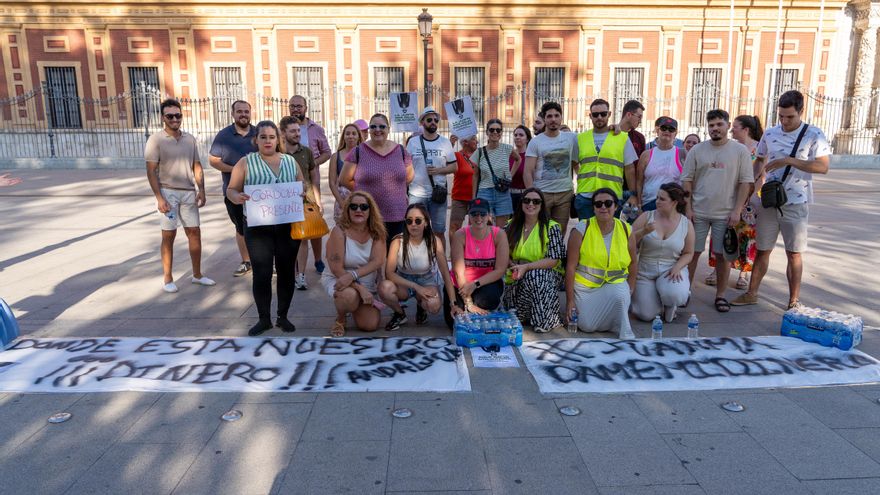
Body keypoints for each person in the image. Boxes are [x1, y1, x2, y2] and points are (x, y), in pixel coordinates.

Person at [732, 90, 831, 310]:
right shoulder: (771, 133)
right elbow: (759, 161)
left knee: (794, 252)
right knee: (763, 249)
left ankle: (793, 300)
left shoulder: (814, 134)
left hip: (795, 200)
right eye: (781, 116)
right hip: (769, 199)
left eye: (790, 117)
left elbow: (823, 167)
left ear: (801, 112)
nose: (785, 121)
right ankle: (752, 293)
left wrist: (789, 161)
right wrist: (749, 184)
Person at [226, 120, 304, 335]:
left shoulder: (290, 161)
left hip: (287, 225)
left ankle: (283, 316)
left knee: (287, 271)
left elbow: (301, 185)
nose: (268, 141)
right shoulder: (246, 162)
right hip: (258, 226)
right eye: (263, 137)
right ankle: (263, 319)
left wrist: (302, 193)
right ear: (256, 140)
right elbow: (231, 189)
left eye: (271, 137)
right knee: (261, 272)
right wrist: (237, 197)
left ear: (278, 139)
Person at [682, 109, 754, 313]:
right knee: (691, 253)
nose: (715, 128)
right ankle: (684, 292)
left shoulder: (740, 151)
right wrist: (688, 208)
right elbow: (686, 180)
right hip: (698, 212)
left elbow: (745, 182)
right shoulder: (697, 150)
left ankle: (720, 295)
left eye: (719, 124)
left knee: (722, 256)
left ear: (727, 126)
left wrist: (737, 210)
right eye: (711, 125)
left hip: (726, 214)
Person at [145, 99, 213, 294]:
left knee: (195, 232)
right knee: (169, 235)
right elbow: (151, 171)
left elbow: (197, 166)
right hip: (168, 192)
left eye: (178, 115)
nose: (175, 119)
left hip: (188, 192)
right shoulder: (155, 140)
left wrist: (202, 189)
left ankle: (197, 275)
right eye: (170, 116)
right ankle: (168, 278)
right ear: (162, 118)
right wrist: (159, 198)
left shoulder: (189, 139)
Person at [565, 188, 637, 338]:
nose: (603, 207)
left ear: (616, 207)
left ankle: (624, 330)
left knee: (621, 294)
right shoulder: (581, 229)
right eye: (598, 204)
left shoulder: (626, 229)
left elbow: (633, 263)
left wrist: (630, 289)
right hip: (585, 288)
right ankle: (611, 319)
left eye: (608, 203)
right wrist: (570, 301)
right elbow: (570, 267)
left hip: (614, 285)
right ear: (593, 208)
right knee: (586, 326)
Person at [340, 113, 414, 247]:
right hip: (368, 214)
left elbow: (408, 177)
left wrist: (394, 189)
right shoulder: (358, 151)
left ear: (388, 129)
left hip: (397, 213)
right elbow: (344, 180)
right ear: (369, 130)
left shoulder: (401, 151)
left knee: (393, 256)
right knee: (371, 256)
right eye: (373, 126)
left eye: (382, 126)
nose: (377, 129)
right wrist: (363, 193)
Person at [707, 114, 763, 290]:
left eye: (735, 127)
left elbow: (761, 175)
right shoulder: (731, 147)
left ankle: (743, 273)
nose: (732, 130)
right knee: (722, 231)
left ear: (746, 129)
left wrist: (748, 196)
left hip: (750, 199)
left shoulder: (759, 149)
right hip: (728, 196)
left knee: (746, 234)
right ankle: (717, 269)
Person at [379, 203, 456, 331]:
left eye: (418, 220)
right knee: (384, 288)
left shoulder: (434, 241)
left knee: (434, 305)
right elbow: (389, 273)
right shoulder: (397, 241)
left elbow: (445, 274)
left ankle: (421, 305)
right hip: (403, 280)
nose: (413, 224)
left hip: (426, 279)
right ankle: (399, 314)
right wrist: (417, 287)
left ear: (426, 223)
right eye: (409, 221)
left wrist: (453, 303)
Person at [323, 191, 387, 336]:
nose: (359, 210)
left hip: (362, 279)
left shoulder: (377, 231)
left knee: (370, 325)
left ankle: (355, 305)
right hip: (339, 277)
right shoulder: (339, 231)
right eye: (354, 207)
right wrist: (358, 287)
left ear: (370, 211)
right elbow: (336, 269)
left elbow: (378, 261)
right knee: (349, 296)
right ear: (347, 210)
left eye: (364, 207)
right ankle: (340, 319)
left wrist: (354, 276)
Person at [630, 183, 695, 322]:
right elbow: (627, 241)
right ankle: (659, 303)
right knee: (646, 314)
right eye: (657, 197)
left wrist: (678, 267)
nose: (657, 201)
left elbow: (689, 253)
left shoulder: (686, 223)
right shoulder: (647, 216)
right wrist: (643, 232)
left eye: (662, 199)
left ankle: (675, 300)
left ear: (675, 202)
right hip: (645, 271)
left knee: (675, 294)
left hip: (671, 269)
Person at [503, 187, 565, 333]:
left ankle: (546, 320)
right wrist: (513, 266)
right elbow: (503, 253)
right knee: (514, 313)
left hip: (546, 274)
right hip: (515, 272)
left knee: (535, 275)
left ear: (542, 205)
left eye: (536, 201)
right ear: (521, 203)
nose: (531, 204)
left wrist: (527, 267)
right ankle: (525, 315)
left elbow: (554, 260)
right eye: (527, 200)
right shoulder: (510, 225)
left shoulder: (552, 227)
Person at [445, 198, 510, 327]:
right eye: (474, 214)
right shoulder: (460, 235)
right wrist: (467, 301)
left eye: (482, 214)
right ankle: (470, 306)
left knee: (487, 299)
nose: (478, 217)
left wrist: (475, 284)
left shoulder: (499, 234)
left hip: (485, 282)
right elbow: (458, 272)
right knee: (452, 321)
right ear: (469, 216)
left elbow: (500, 270)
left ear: (489, 216)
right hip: (460, 284)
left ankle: (476, 307)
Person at [209, 100, 256, 277]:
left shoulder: (258, 133)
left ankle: (267, 262)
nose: (243, 114)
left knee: (262, 229)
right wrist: (236, 170)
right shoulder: (223, 135)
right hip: (234, 191)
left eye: (246, 111)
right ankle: (246, 261)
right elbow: (213, 160)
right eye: (239, 111)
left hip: (258, 193)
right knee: (240, 228)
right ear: (233, 114)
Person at [573, 98, 639, 220]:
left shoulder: (622, 137)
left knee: (610, 236)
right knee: (587, 235)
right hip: (585, 196)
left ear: (609, 114)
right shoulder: (580, 138)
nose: (599, 117)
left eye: (603, 114)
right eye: (595, 114)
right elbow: (574, 163)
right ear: (590, 116)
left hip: (612, 197)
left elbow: (629, 169)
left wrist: (633, 194)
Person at [279, 116, 324, 288]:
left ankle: (301, 275)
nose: (297, 134)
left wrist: (318, 201)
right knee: (284, 240)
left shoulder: (306, 151)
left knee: (303, 238)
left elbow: (314, 176)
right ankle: (287, 272)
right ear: (283, 133)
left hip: (305, 201)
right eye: (293, 131)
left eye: (298, 130)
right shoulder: (277, 153)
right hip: (282, 203)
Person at [524, 101, 579, 228]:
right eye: (549, 116)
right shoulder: (535, 142)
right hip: (542, 193)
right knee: (540, 231)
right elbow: (528, 171)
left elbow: (576, 164)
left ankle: (557, 249)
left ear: (561, 118)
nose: (553, 119)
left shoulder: (572, 138)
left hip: (564, 194)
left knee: (559, 232)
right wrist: (532, 195)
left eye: (556, 115)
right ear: (544, 119)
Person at [406, 106, 457, 239]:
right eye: (429, 120)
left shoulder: (445, 142)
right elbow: (405, 166)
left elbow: (454, 167)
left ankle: (439, 259)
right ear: (422, 122)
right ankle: (419, 259)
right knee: (415, 231)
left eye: (436, 120)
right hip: (416, 195)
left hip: (437, 194)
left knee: (439, 232)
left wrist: (439, 170)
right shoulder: (413, 142)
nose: (433, 122)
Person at [472, 118, 521, 227]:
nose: (495, 132)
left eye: (498, 130)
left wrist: (510, 176)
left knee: (501, 229)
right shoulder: (479, 152)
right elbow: (475, 176)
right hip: (484, 192)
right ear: (487, 132)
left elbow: (518, 159)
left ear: (501, 133)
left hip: (503, 192)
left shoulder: (507, 148)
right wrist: (473, 197)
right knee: (484, 227)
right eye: (492, 130)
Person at [636, 116, 685, 212]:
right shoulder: (646, 155)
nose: (667, 131)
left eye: (671, 129)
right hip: (648, 203)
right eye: (664, 128)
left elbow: (687, 182)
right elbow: (639, 182)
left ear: (675, 133)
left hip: (672, 205)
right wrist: (639, 203)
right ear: (658, 131)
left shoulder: (682, 154)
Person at [329, 123, 362, 222]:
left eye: (353, 133)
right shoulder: (336, 156)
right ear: (343, 137)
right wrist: (341, 203)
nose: (350, 136)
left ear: (358, 136)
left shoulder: (365, 155)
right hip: (342, 200)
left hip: (361, 198)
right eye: (347, 134)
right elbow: (332, 183)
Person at [288, 95, 331, 166]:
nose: (295, 109)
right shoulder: (282, 129)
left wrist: (313, 164)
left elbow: (327, 153)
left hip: (311, 175)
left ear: (306, 108)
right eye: (292, 106)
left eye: (299, 106)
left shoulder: (316, 129)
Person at [449, 134, 478, 234]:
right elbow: (443, 160)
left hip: (476, 198)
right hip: (459, 198)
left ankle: (471, 249)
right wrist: (451, 144)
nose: (477, 142)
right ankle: (455, 250)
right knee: (454, 228)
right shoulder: (457, 156)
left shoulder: (480, 155)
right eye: (474, 140)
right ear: (465, 142)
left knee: (474, 229)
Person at [509, 125, 531, 210]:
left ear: (527, 139)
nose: (517, 137)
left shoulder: (531, 156)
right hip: (508, 196)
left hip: (525, 196)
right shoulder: (509, 154)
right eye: (515, 135)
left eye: (521, 135)